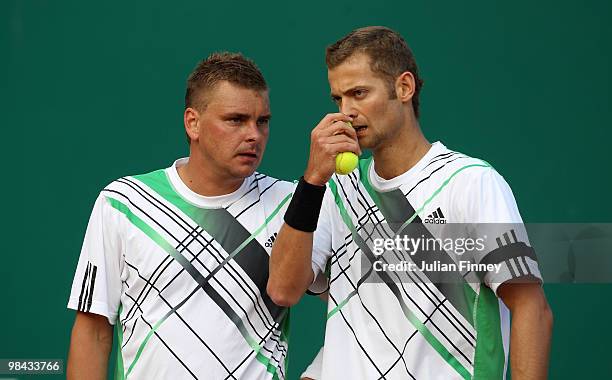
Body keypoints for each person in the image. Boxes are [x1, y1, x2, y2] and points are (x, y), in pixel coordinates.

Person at [268, 26, 553, 379]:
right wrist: (312, 182)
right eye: (338, 99)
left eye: (359, 93)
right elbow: (282, 288)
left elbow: (532, 310)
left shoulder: (470, 183)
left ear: (404, 87)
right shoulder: (336, 189)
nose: (346, 112)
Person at [67, 52, 293, 380]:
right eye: (235, 120)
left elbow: (356, 303)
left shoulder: (290, 204)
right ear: (193, 122)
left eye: (262, 121)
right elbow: (93, 331)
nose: (254, 135)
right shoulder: (123, 204)